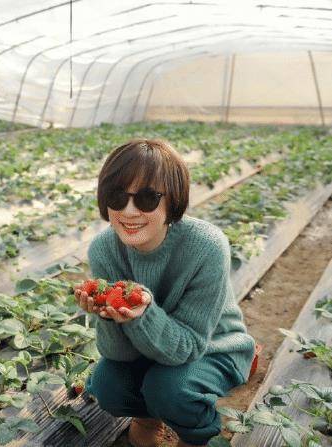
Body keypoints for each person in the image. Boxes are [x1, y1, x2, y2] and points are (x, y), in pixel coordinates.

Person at [74, 139, 255, 447]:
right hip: (148, 350)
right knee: (107, 384)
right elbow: (119, 354)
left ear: (173, 201)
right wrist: (108, 314)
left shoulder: (206, 246)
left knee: (169, 388)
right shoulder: (104, 249)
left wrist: (144, 313)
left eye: (147, 198)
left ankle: (198, 433)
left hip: (213, 346)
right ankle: (147, 417)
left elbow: (188, 347)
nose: (129, 211)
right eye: (118, 196)